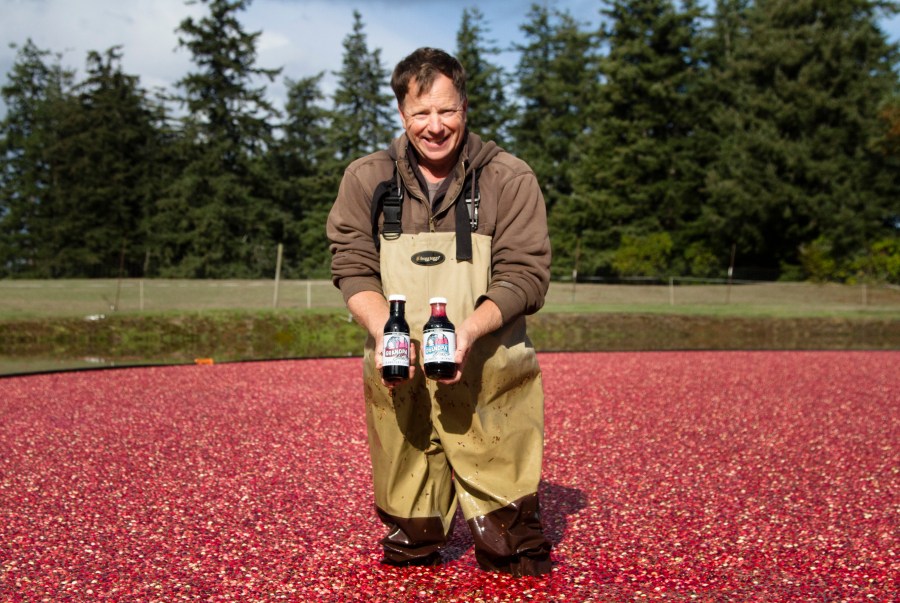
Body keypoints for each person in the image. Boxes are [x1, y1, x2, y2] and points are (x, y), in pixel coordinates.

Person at [326, 47, 552, 577]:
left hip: (488, 364)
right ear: (402, 115)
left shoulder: (509, 179)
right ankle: (416, 539)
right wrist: (388, 329)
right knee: (409, 524)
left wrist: (468, 332)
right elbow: (352, 265)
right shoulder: (367, 179)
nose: (435, 126)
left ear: (466, 108)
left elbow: (526, 275)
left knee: (513, 542)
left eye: (447, 111)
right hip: (398, 365)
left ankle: (509, 546)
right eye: (421, 113)